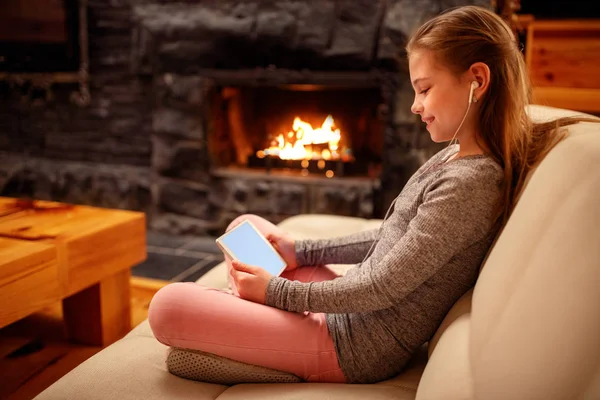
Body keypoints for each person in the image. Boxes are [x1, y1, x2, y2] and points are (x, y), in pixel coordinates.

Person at [147, 6, 594, 384]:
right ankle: (250, 323)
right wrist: (298, 251)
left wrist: (277, 293)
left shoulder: (471, 184)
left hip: (355, 346)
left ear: (477, 79)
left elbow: (383, 285)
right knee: (249, 228)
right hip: (349, 308)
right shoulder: (455, 155)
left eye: (424, 89)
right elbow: (389, 237)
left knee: (166, 306)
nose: (415, 106)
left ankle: (257, 335)